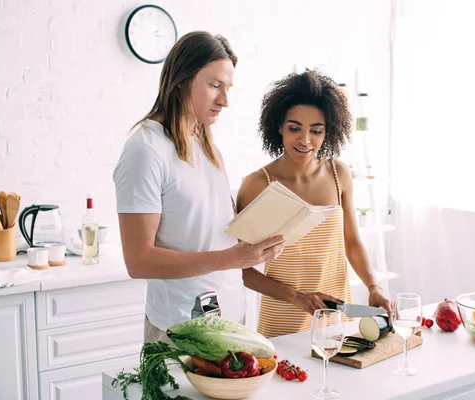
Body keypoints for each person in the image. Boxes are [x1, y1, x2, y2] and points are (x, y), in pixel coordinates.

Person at [113, 31, 285, 343]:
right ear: (181, 80)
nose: (225, 100)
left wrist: (258, 247)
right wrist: (232, 258)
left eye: (228, 88)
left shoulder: (209, 149)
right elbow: (138, 261)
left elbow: (211, 231)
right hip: (180, 325)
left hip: (234, 316)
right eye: (214, 85)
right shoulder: (145, 150)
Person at [236, 70, 393, 338]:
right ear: (278, 127)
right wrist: (297, 297)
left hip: (335, 321)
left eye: (316, 131)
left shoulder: (338, 174)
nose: (305, 141)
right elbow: (242, 269)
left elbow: (352, 242)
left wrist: (373, 286)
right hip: (282, 324)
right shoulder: (257, 185)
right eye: (294, 128)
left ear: (328, 132)